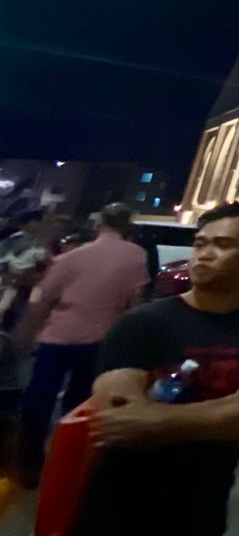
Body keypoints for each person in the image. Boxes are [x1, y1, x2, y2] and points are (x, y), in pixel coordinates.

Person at [55, 203, 239, 536]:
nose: (204, 254)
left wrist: (157, 419)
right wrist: (231, 407)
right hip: (115, 514)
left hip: (198, 516)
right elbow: (118, 418)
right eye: (200, 243)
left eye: (223, 245)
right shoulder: (143, 322)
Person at [15, 202, 150, 485]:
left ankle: (29, 463)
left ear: (97, 225)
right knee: (79, 404)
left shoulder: (72, 257)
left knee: (39, 398)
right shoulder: (136, 256)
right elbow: (134, 301)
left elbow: (43, 298)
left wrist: (25, 333)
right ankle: (68, 462)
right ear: (127, 227)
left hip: (58, 337)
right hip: (101, 339)